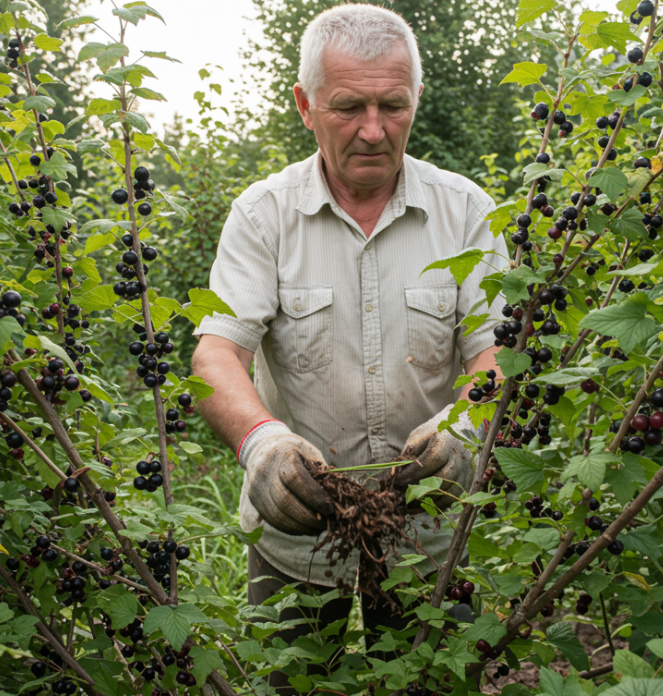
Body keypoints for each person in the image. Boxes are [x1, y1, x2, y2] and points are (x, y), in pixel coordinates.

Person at [191, 3, 507, 690]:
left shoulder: (466, 212)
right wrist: (262, 445)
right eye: (348, 107)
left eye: (393, 106)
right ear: (304, 105)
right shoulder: (262, 216)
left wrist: (463, 427)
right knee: (294, 684)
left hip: (429, 538)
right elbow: (216, 355)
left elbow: (497, 353)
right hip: (294, 535)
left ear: (415, 99)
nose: (373, 129)